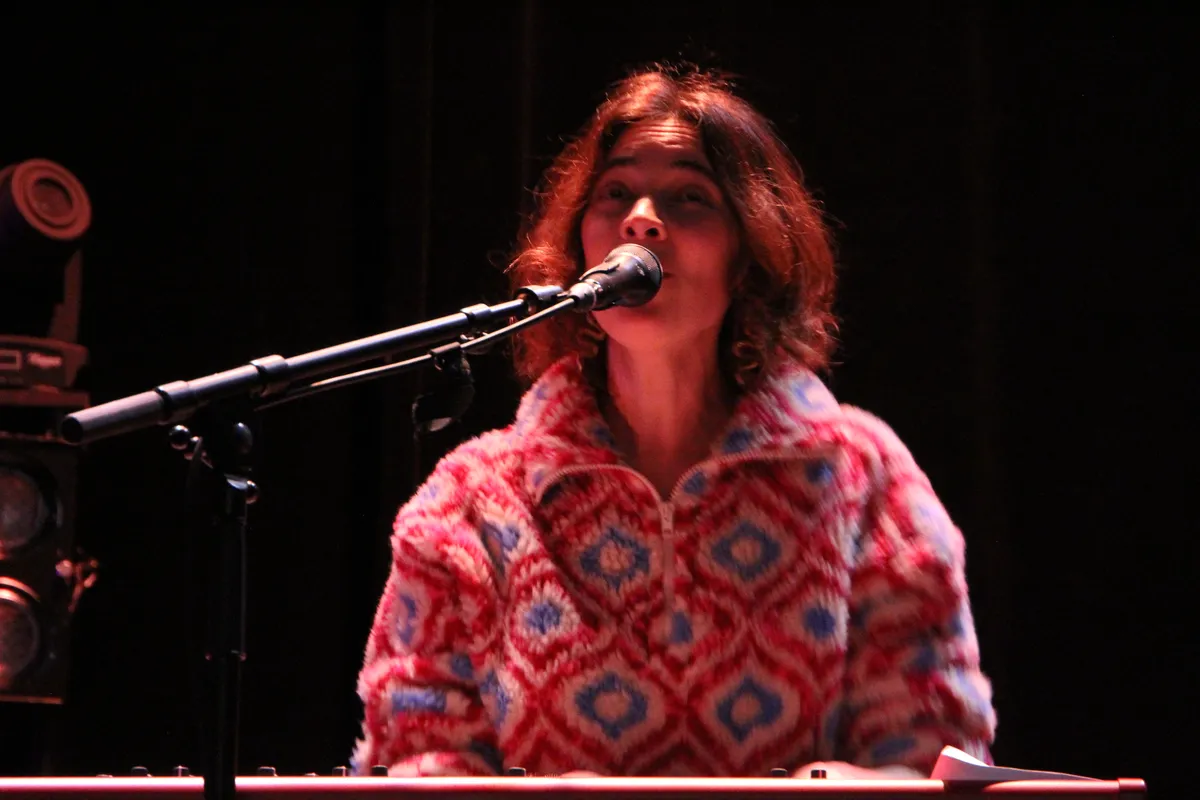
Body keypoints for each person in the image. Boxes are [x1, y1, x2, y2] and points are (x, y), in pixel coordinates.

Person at [350, 62, 997, 779]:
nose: (641, 218)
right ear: (580, 249)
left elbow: (933, 755)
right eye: (615, 192)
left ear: (749, 256)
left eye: (690, 197)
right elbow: (414, 765)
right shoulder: (472, 503)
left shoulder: (859, 475)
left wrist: (857, 787)